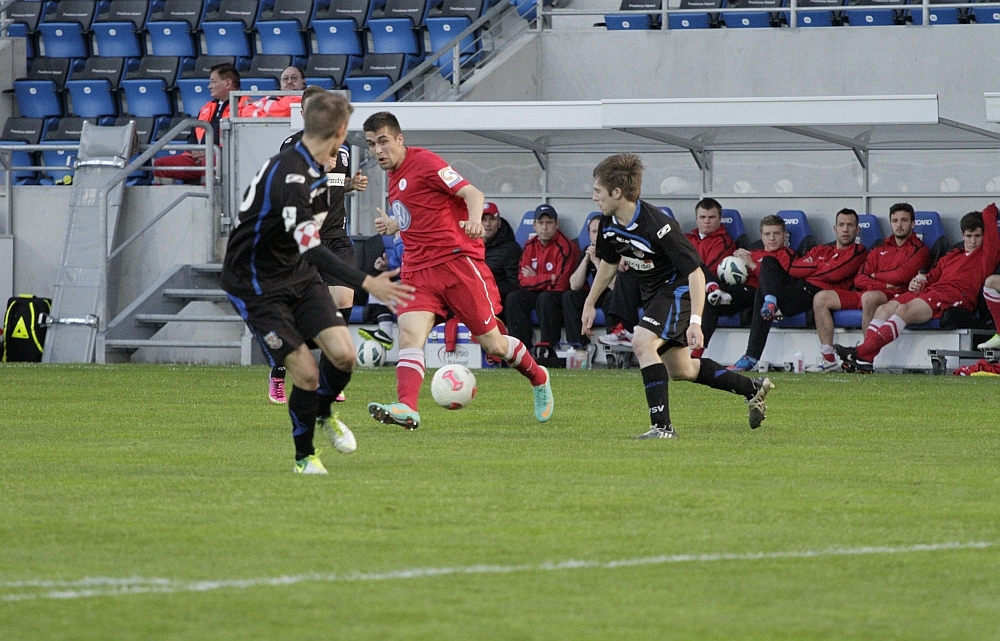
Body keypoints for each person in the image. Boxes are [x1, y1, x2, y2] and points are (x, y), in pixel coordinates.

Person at [220, 93, 414, 474]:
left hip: (297, 272)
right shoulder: (291, 174)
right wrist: (368, 282)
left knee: (344, 355)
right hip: (257, 284)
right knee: (308, 373)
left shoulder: (322, 168)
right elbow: (310, 246)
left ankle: (323, 412)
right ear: (340, 131)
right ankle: (304, 457)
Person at [363, 111, 554, 429]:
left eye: (383, 141)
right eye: (371, 144)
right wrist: (395, 224)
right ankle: (407, 407)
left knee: (494, 344)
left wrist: (476, 219)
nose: (377, 150)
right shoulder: (394, 178)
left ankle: (538, 377)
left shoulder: (425, 162)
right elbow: (422, 213)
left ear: (399, 139)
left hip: (456, 265)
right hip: (418, 270)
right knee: (409, 335)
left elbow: (472, 193)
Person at [581, 153, 774, 440]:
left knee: (641, 341)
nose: (594, 197)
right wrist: (589, 302)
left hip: (677, 290)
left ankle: (662, 428)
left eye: (598, 190)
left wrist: (695, 321)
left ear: (617, 192)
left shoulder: (659, 226)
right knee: (682, 370)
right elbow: (609, 264)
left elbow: (696, 273)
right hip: (654, 295)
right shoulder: (608, 224)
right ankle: (751, 388)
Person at [267, 85, 369, 404]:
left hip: (336, 237)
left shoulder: (343, 148)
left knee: (343, 300)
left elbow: (334, 186)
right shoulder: (292, 147)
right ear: (303, 114)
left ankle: (327, 378)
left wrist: (351, 184)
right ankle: (279, 371)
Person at [837, 204, 1000, 373]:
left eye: (977, 236)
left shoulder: (986, 255)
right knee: (884, 309)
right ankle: (866, 358)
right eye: (969, 236)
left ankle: (861, 351)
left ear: (984, 235)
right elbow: (932, 276)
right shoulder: (953, 255)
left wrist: (990, 209)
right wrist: (919, 282)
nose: (973, 241)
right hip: (932, 290)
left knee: (904, 310)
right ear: (962, 235)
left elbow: (990, 212)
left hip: (955, 295)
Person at [729, 208, 868, 372]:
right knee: (767, 264)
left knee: (762, 291)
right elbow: (794, 269)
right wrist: (822, 265)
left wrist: (813, 266)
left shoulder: (858, 250)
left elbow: (835, 274)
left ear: (857, 230)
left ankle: (752, 355)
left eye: (850, 225)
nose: (845, 229)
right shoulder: (821, 250)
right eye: (841, 225)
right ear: (834, 228)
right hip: (800, 288)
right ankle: (770, 306)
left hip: (818, 292)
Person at [807, 203, 930, 372]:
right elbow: (859, 279)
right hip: (867, 292)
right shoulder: (880, 248)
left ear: (913, 224)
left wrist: (875, 276)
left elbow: (901, 276)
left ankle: (864, 356)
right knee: (821, 298)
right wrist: (883, 283)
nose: (899, 225)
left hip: (896, 295)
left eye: (904, 220)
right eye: (895, 221)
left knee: (870, 297)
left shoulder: (920, 250)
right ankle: (828, 359)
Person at [153, 63, 247, 185]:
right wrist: (195, 150)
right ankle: (164, 197)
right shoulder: (206, 108)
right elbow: (193, 135)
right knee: (161, 165)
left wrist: (213, 153)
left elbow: (244, 140)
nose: (209, 86)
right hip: (199, 157)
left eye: (213, 82)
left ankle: (208, 197)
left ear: (228, 83)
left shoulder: (247, 106)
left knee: (209, 162)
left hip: (228, 158)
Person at [505, 204, 580, 352]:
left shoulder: (566, 247)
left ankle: (548, 348)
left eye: (549, 222)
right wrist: (548, 277)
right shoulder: (529, 246)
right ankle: (522, 350)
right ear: (534, 225)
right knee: (514, 298)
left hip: (560, 296)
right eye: (541, 223)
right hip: (540, 292)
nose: (544, 227)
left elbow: (561, 284)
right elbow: (522, 281)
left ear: (556, 224)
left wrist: (535, 277)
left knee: (546, 298)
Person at [684, 197, 737, 357]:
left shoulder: (724, 241)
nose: (706, 221)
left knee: (695, 268)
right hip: (681, 284)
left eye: (711, 217)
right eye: (702, 217)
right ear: (696, 219)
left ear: (720, 219)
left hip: (702, 286)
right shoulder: (686, 239)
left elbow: (710, 268)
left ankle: (695, 355)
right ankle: (623, 329)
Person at [482, 201, 522, 324]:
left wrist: (488, 290)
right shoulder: (467, 245)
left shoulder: (510, 249)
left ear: (499, 223)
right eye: (483, 219)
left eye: (492, 219)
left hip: (498, 302)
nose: (487, 224)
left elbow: (515, 284)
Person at [239, 66, 306, 118]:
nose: (289, 82)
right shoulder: (272, 97)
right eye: (285, 79)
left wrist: (263, 115)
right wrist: (267, 117)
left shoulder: (306, 97)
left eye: (294, 78)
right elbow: (245, 111)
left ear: (303, 81)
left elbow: (284, 110)